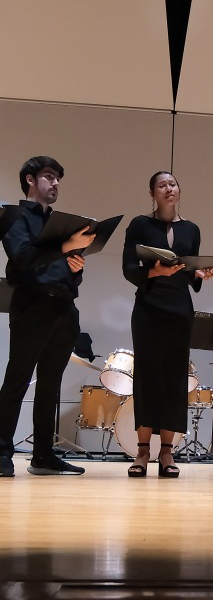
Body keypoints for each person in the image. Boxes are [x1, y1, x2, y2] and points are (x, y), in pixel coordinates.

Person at [0, 156, 94, 477]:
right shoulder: (14, 216)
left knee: (51, 385)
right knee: (17, 381)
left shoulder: (61, 223)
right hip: (32, 308)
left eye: (58, 179)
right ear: (30, 179)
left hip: (64, 310)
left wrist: (75, 264)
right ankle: (1, 453)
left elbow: (68, 271)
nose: (55, 184)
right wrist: (65, 248)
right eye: (49, 177)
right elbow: (23, 258)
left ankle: (42, 455)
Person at [122, 171, 213, 478]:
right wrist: (155, 273)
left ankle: (167, 452)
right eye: (162, 185)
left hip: (179, 309)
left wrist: (200, 275)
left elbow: (189, 272)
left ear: (179, 190)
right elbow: (128, 267)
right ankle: (141, 451)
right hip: (149, 307)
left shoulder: (192, 228)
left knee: (175, 379)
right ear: (153, 193)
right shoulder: (139, 224)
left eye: (173, 184)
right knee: (147, 377)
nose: (168, 188)